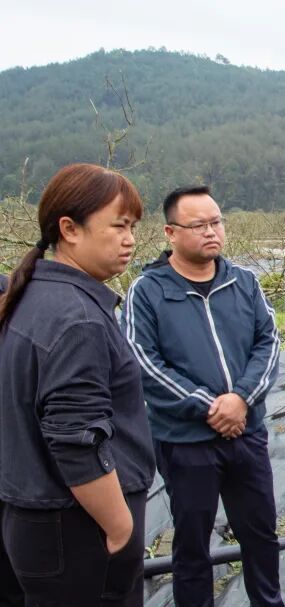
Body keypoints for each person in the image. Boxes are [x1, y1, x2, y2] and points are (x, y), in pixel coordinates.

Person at [0, 163, 155, 606]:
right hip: (78, 530)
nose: (130, 239)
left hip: (32, 519)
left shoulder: (29, 297)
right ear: (69, 229)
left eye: (133, 227)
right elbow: (75, 438)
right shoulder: (77, 319)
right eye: (118, 225)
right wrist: (119, 525)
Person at [121, 185, 283, 607]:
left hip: (246, 433)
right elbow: (144, 361)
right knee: (192, 542)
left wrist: (241, 399)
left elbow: (268, 342)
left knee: (261, 534)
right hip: (186, 441)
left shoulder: (243, 281)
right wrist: (208, 406)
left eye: (216, 222)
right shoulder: (148, 290)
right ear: (171, 233)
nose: (211, 232)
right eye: (199, 225)